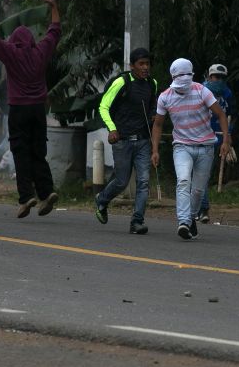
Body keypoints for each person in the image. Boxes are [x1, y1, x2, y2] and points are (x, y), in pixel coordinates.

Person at [0, 0, 61, 218]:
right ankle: (46, 192)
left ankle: (26, 197)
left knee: (20, 152)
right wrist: (53, 5)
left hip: (18, 109)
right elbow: (55, 31)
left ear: (14, 41)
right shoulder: (40, 51)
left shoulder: (11, 53)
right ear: (32, 40)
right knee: (38, 152)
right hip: (37, 110)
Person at [150, 58, 230, 240]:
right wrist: (155, 150)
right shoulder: (165, 97)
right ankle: (184, 222)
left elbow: (221, 114)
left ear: (191, 75)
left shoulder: (202, 91)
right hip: (182, 146)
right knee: (184, 181)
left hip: (206, 147)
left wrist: (225, 140)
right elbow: (158, 125)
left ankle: (191, 216)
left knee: (198, 190)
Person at [94, 48, 158, 235]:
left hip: (143, 142)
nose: (145, 67)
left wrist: (154, 116)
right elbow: (103, 106)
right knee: (121, 182)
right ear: (132, 66)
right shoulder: (122, 82)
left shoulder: (152, 84)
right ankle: (102, 200)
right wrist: (112, 129)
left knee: (144, 181)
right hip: (122, 141)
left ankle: (137, 221)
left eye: (147, 63)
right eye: (141, 64)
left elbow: (153, 107)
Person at [197, 63, 234, 223]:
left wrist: (228, 136)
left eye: (222, 78)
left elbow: (229, 115)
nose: (218, 80)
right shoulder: (201, 91)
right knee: (200, 174)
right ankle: (202, 208)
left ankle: (202, 209)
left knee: (203, 174)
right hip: (202, 136)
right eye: (215, 77)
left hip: (219, 137)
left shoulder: (227, 93)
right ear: (209, 76)